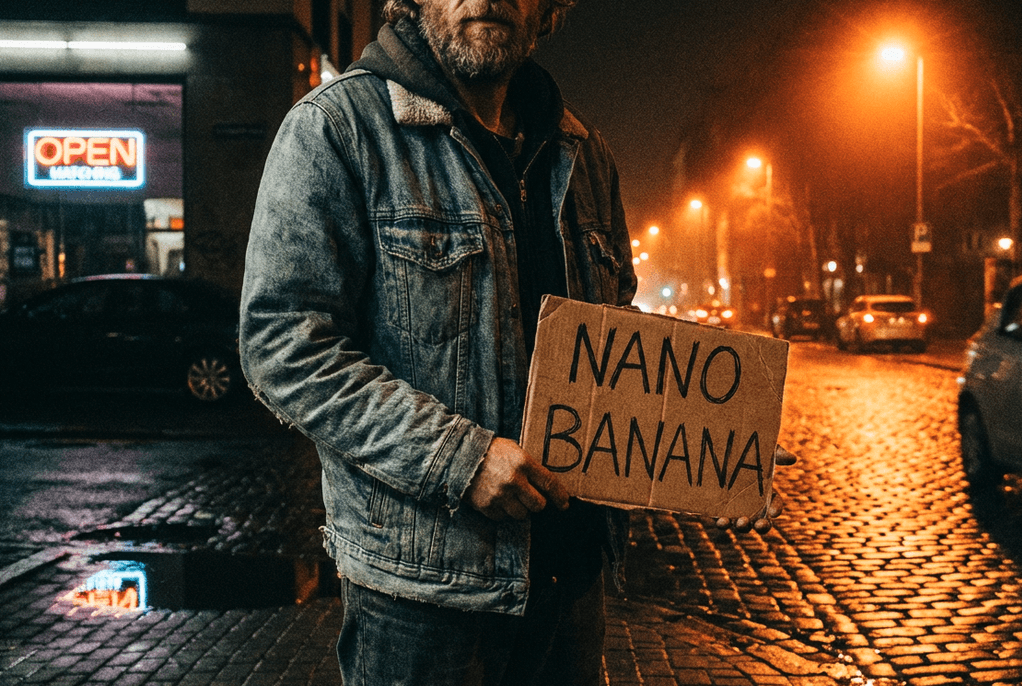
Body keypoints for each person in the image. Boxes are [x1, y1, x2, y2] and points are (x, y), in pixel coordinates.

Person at [239, 1, 785, 683]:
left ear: (551, 8)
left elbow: (614, 336)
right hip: (427, 605)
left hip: (570, 588)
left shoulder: (584, 154)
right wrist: (460, 460)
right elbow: (285, 345)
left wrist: (719, 444)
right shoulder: (336, 131)